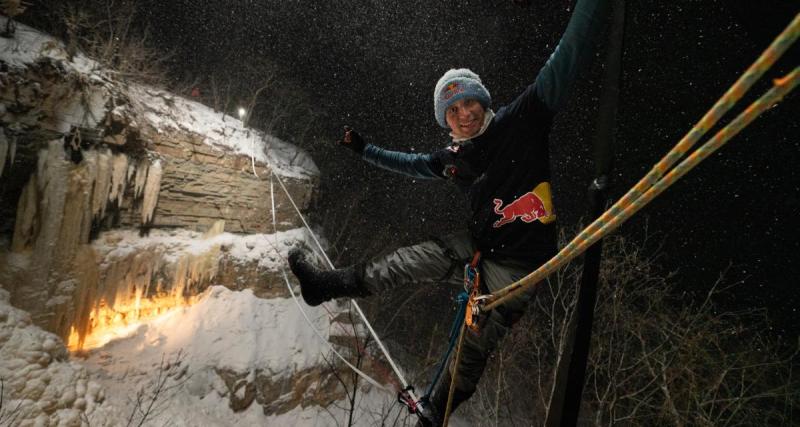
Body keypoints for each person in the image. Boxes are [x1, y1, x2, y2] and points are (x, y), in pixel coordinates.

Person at [288, 0, 609, 424]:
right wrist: (364, 150)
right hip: (479, 246)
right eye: (453, 112)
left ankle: (437, 411)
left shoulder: (523, 120)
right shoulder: (456, 157)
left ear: (482, 101)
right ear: (447, 122)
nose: (463, 115)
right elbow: (409, 163)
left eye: (469, 104)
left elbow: (567, 56)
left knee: (474, 343)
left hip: (518, 265)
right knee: (406, 261)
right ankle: (325, 286)